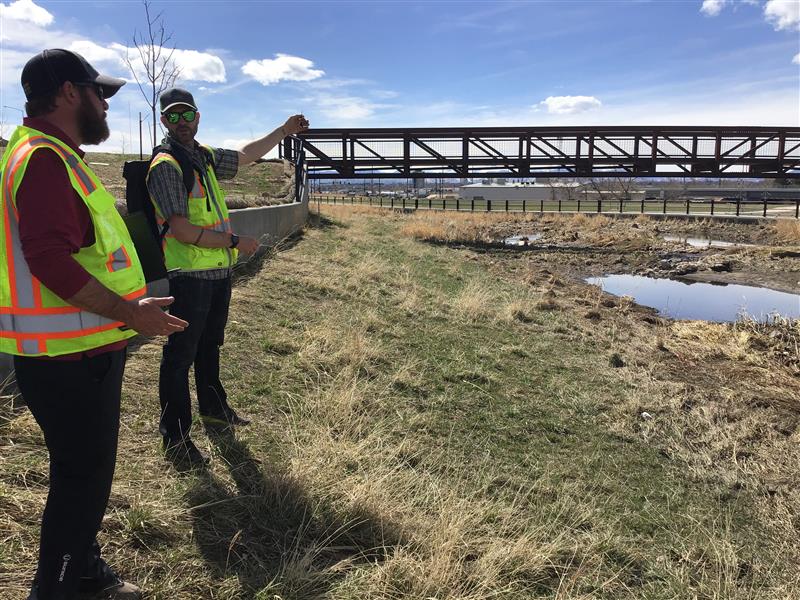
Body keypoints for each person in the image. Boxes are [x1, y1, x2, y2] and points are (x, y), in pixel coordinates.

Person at [0, 50, 188, 600]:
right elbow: (51, 261)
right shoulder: (44, 161)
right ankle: (57, 589)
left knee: (82, 477)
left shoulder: (50, 154)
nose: (105, 103)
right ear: (66, 94)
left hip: (75, 353)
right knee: (80, 485)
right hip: (70, 360)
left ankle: (83, 570)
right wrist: (134, 313)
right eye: (96, 91)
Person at [147, 87, 308, 466]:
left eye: (187, 114)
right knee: (179, 357)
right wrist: (234, 241)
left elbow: (247, 156)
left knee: (209, 346)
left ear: (198, 117)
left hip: (216, 273)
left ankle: (215, 412)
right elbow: (182, 230)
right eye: (173, 116)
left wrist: (283, 131)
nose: (181, 122)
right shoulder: (167, 166)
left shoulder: (202, 157)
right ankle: (176, 438)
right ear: (163, 121)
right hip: (189, 275)